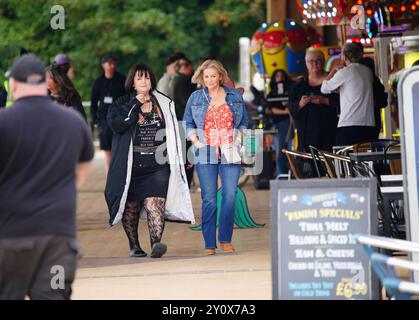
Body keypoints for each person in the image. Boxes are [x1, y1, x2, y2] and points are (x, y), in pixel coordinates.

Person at [0, 54, 94, 300]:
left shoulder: (3, 122)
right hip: (58, 237)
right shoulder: (72, 121)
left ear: (15, 84)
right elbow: (81, 173)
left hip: (10, 237)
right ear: (44, 83)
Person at [105, 63, 194, 259]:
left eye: (146, 77)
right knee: (131, 207)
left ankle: (156, 244)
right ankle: (134, 245)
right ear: (133, 83)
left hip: (158, 164)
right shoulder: (121, 104)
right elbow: (117, 125)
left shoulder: (164, 103)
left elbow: (175, 129)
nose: (144, 81)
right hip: (130, 165)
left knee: (156, 203)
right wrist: (136, 104)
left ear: (152, 80)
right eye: (139, 78)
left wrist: (186, 154)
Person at [183, 59, 248, 255]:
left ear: (220, 76)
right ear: (202, 78)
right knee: (209, 198)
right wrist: (195, 142)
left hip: (230, 150)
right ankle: (209, 243)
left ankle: (225, 239)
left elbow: (244, 120)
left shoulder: (234, 96)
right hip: (205, 150)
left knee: (229, 196)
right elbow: (187, 122)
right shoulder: (195, 97)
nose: (210, 80)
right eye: (206, 76)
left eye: (213, 76)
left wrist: (239, 138)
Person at [289, 48, 339, 177]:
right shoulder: (299, 85)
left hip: (328, 134)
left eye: (318, 61)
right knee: (309, 173)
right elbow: (291, 107)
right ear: (306, 64)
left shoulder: (333, 80)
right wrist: (300, 104)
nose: (315, 65)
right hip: (306, 137)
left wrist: (323, 100)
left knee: (330, 171)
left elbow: (341, 103)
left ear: (323, 62)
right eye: (311, 62)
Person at [321, 43, 375, 145]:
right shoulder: (368, 71)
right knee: (366, 158)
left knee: (345, 158)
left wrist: (332, 72)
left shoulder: (344, 72)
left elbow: (324, 88)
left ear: (344, 56)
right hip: (368, 123)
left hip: (349, 124)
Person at [91, 53, 126, 173]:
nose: (112, 66)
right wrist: (94, 118)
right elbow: (94, 102)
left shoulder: (122, 80)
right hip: (104, 119)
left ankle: (119, 174)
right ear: (103, 65)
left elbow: (127, 99)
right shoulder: (98, 82)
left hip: (119, 118)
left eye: (114, 63)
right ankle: (109, 176)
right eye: (109, 63)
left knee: (119, 148)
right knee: (107, 150)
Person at [265, 69, 293, 177]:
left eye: (281, 75)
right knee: (279, 152)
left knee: (291, 151)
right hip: (278, 124)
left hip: (291, 124)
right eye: (277, 76)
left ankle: (292, 174)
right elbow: (269, 109)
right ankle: (281, 175)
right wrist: (285, 111)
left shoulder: (290, 91)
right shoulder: (271, 94)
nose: (280, 78)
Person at [359, 57, 388, 138]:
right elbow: (383, 101)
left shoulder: (362, 80)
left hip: (363, 119)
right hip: (375, 118)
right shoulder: (376, 80)